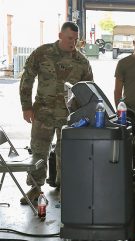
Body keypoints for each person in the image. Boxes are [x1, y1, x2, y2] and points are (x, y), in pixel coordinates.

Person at [19, 21, 93, 204]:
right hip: (42, 113)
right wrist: (26, 106)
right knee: (38, 152)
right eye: (69, 38)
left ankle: (65, 188)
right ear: (60, 35)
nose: (72, 43)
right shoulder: (42, 53)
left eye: (75, 40)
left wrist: (86, 116)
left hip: (69, 117)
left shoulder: (82, 62)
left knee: (67, 153)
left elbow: (89, 91)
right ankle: (35, 189)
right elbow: (27, 77)